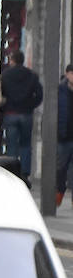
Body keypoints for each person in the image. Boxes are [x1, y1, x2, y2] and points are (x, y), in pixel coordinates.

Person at [0, 49, 43, 178]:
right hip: (26, 114)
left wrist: (4, 109)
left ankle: (12, 171)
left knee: (12, 144)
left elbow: (0, 93)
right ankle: (24, 172)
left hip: (10, 113)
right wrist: (31, 105)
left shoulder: (6, 75)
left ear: (12, 60)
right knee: (25, 144)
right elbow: (39, 95)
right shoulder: (32, 75)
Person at [58, 66, 73, 208]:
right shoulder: (60, 90)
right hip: (63, 135)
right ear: (67, 74)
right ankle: (58, 194)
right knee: (61, 167)